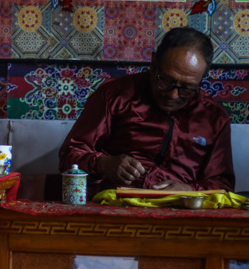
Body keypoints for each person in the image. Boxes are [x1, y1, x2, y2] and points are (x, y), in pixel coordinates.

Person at [59, 27, 234, 195]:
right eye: (166, 81)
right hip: (114, 206)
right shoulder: (116, 96)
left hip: (180, 213)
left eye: (187, 88)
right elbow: (70, 155)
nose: (173, 95)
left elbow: (222, 185)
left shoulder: (214, 118)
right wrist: (104, 164)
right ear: (154, 63)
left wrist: (190, 190)